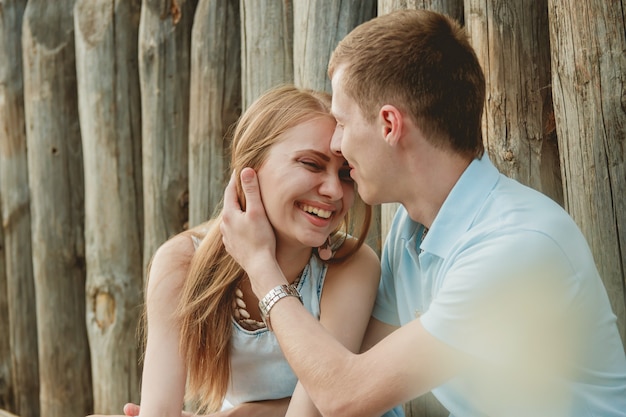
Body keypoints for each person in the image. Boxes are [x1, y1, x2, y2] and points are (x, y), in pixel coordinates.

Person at [219, 9, 626, 417]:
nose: (338, 144)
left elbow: (346, 396)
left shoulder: (516, 247)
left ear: (390, 125)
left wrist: (260, 265)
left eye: (342, 123)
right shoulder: (411, 231)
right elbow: (352, 374)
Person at [90, 85, 403, 417]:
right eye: (311, 164)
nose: (333, 190)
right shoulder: (180, 262)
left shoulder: (350, 267)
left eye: (345, 174)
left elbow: (315, 411)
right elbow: (160, 412)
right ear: (249, 169)